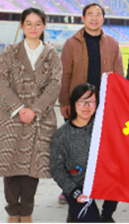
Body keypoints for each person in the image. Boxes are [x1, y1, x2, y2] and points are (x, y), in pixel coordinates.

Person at [0, 8, 62, 224]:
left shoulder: (52, 54)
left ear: (44, 26)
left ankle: (26, 212)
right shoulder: (9, 52)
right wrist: (19, 108)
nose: (33, 28)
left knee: (32, 168)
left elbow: (55, 85)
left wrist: (35, 109)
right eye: (29, 23)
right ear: (22, 26)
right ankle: (12, 211)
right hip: (12, 117)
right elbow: (2, 82)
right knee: (11, 165)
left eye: (38, 24)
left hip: (40, 118)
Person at [58, 2, 123, 210]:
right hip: (78, 104)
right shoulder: (71, 43)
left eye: (98, 14)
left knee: (100, 148)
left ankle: (96, 185)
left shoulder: (112, 43)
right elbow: (64, 75)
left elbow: (119, 76)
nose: (94, 18)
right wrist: (64, 102)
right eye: (90, 14)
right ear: (83, 18)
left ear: (103, 18)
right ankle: (70, 187)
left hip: (103, 105)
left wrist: (117, 104)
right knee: (75, 148)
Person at [50, 83, 115, 224]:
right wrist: (74, 191)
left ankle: (107, 216)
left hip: (103, 182)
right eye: (82, 101)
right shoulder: (62, 135)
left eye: (91, 101)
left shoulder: (103, 127)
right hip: (77, 187)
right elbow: (56, 168)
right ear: (74, 103)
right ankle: (75, 216)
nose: (87, 106)